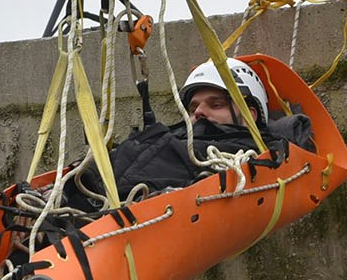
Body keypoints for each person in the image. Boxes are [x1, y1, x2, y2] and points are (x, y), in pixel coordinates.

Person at [69, 58, 314, 208]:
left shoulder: (245, 153)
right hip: (89, 198)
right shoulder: (170, 137)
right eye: (193, 107)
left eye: (215, 104)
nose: (199, 112)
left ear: (250, 115)